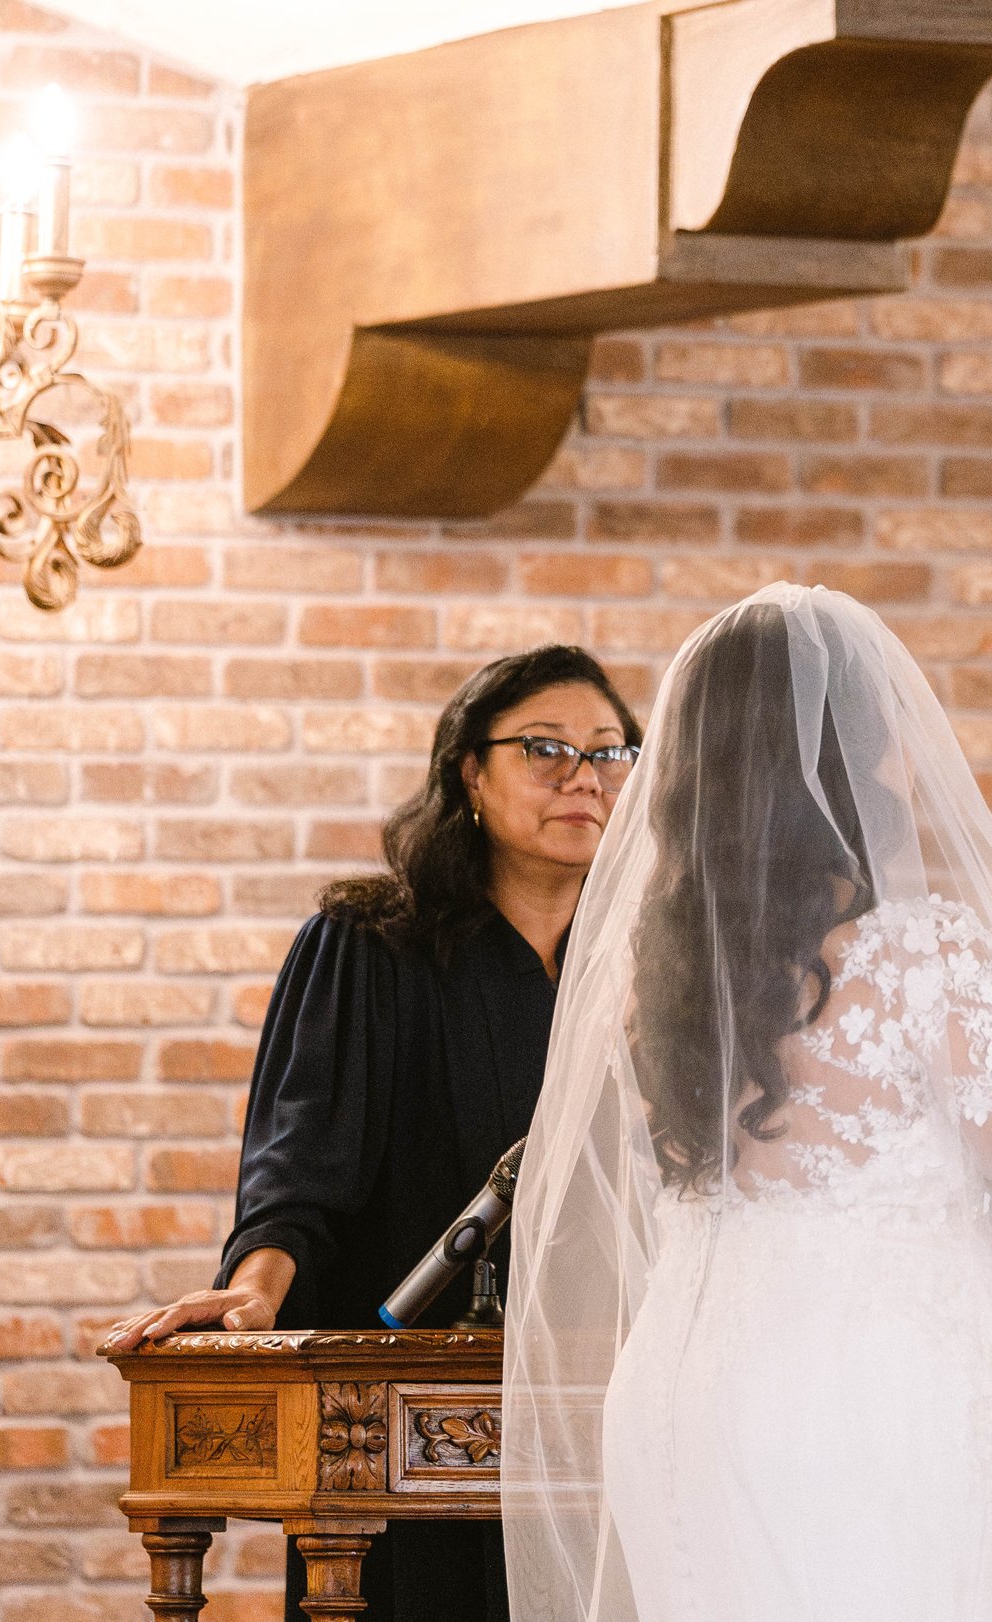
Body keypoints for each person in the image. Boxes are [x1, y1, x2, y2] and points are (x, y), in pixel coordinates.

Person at [501, 584, 992, 1622]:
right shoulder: (923, 956)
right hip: (871, 1407)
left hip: (680, 1400)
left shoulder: (656, 973)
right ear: (855, 763)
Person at [101, 644, 643, 1622]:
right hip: (405, 1410)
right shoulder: (369, 942)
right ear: (470, 772)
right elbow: (300, 1164)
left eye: (610, 752)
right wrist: (253, 1287)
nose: (584, 777)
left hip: (599, 1400)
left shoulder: (652, 961)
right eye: (547, 747)